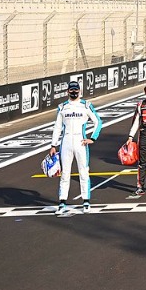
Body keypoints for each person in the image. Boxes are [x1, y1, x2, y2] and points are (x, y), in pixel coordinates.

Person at [49, 81, 102, 215]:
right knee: (65, 174)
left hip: (80, 142)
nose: (74, 92)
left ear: (79, 91)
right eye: (71, 90)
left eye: (76, 90)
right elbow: (57, 127)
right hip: (66, 142)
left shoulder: (86, 105)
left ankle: (86, 202)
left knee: (83, 172)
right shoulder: (62, 107)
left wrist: (92, 138)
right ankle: (62, 203)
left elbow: (98, 121)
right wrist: (53, 145)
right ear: (68, 91)